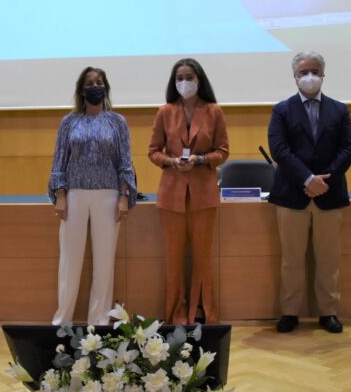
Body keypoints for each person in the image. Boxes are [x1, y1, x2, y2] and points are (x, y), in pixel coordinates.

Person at [268, 51, 351, 334]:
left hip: (330, 195)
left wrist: (323, 179)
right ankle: (290, 312)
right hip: (292, 195)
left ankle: (328, 312)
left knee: (329, 260)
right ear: (295, 76)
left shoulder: (340, 110)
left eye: (314, 71)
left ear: (323, 74)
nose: (309, 77)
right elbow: (280, 150)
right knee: (291, 260)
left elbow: (347, 149)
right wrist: (306, 178)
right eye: (303, 72)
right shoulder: (281, 110)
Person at [49, 67, 137, 326]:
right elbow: (59, 161)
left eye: (99, 82)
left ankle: (98, 323)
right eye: (89, 83)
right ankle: (62, 321)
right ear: (81, 89)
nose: (95, 86)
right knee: (70, 261)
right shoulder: (69, 122)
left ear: (105, 87)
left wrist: (124, 196)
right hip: (74, 195)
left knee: (104, 262)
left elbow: (125, 162)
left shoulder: (117, 122)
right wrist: (60, 195)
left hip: (108, 196)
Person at [148, 58, 230, 325]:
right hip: (171, 194)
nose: (185, 82)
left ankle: (201, 311)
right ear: (174, 82)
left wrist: (201, 160)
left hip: (203, 193)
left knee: (202, 257)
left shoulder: (214, 110)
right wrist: (171, 162)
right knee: (173, 258)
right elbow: (153, 151)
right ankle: (176, 314)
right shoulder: (164, 111)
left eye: (190, 77)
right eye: (180, 78)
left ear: (199, 79)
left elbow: (223, 151)